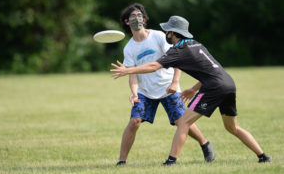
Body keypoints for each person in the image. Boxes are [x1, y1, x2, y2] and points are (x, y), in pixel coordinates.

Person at [111, 15, 271, 164]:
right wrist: (194, 89)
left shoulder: (178, 50)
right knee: (232, 127)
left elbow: (154, 66)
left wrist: (127, 70)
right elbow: (212, 70)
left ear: (173, 33)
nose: (166, 33)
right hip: (228, 83)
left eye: (168, 31)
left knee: (183, 122)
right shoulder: (196, 44)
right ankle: (263, 156)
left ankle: (171, 161)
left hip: (214, 87)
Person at [115, 3, 215, 166]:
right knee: (134, 122)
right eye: (134, 16)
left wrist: (175, 82)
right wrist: (134, 92)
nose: (138, 18)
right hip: (145, 92)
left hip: (169, 87)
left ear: (145, 19)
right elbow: (132, 74)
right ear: (127, 22)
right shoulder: (129, 48)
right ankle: (122, 161)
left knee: (181, 122)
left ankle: (205, 144)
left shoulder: (158, 36)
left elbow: (177, 59)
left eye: (140, 15)